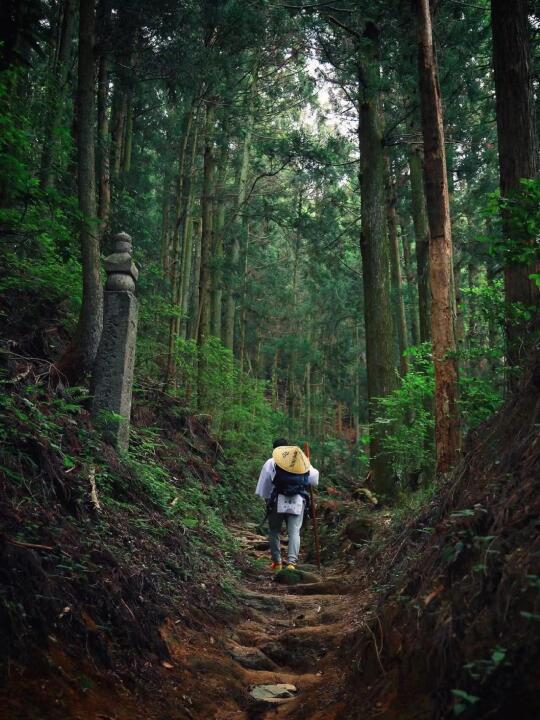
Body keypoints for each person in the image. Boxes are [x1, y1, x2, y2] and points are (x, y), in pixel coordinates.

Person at [255, 438, 319, 571]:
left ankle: (277, 562)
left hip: (277, 498)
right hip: (297, 500)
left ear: (275, 450)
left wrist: (267, 500)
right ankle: (291, 563)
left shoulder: (271, 461)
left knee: (274, 530)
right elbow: (314, 480)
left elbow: (264, 484)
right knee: (294, 531)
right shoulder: (300, 460)